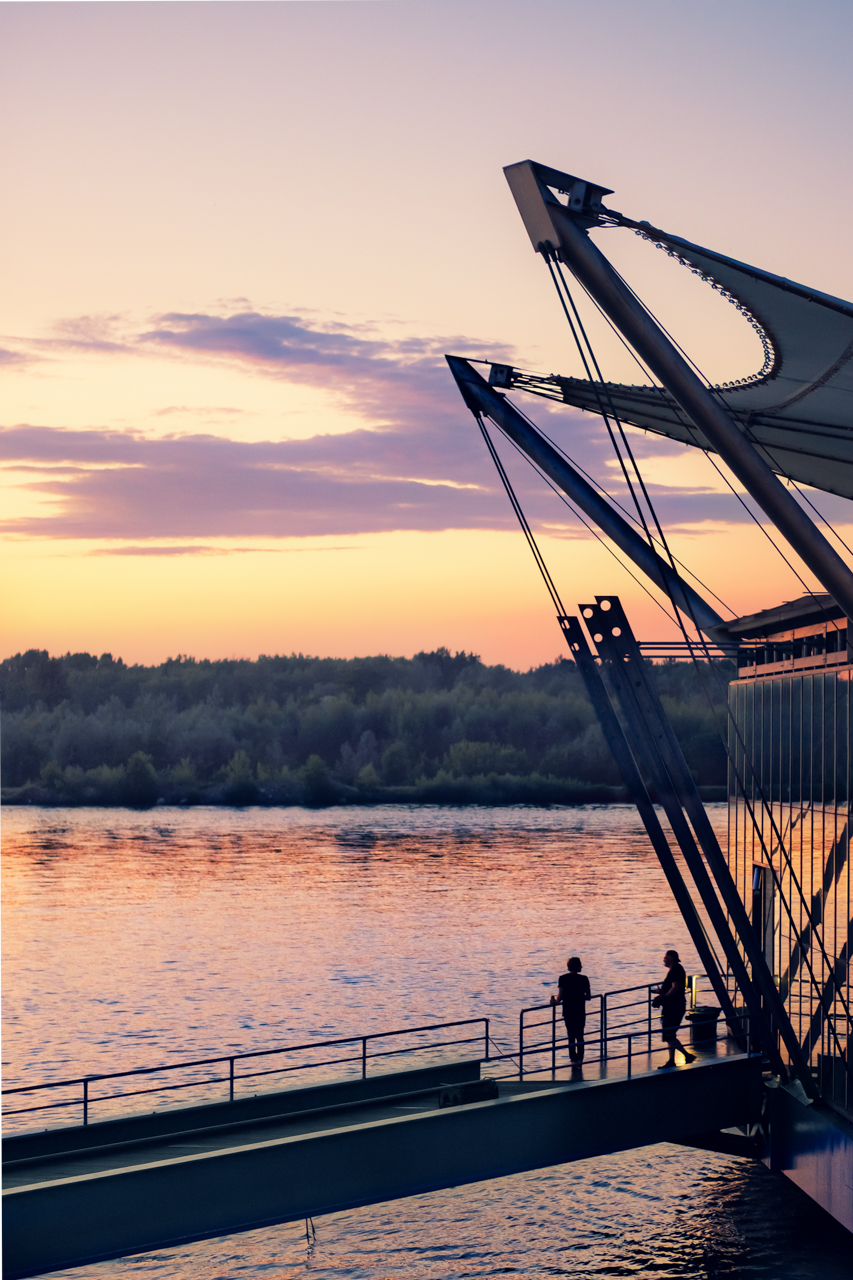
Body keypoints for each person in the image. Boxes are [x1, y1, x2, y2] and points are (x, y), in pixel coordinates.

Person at [652, 949, 696, 1067]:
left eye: (665, 958)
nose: (663, 960)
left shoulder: (676, 969)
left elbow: (676, 987)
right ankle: (671, 1060)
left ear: (671, 958)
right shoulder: (674, 970)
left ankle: (687, 1055)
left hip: (674, 1007)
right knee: (669, 1035)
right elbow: (671, 987)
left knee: (669, 1034)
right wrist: (660, 992)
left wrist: (662, 998)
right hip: (672, 1006)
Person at [550, 956, 591, 1068]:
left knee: (571, 1036)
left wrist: (553, 1001)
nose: (582, 966)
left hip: (568, 1011)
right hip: (580, 1011)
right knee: (580, 1035)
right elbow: (588, 996)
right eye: (580, 964)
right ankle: (580, 1060)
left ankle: (573, 1060)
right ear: (578, 966)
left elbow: (559, 998)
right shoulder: (584, 979)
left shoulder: (563, 979)